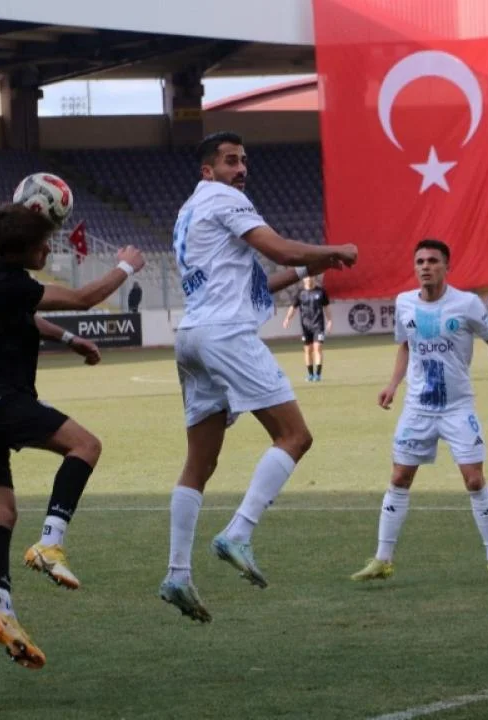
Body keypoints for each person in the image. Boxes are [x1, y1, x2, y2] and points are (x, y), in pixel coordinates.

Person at [160, 131, 357, 623]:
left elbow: (258, 282)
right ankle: (238, 532)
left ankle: (177, 573)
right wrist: (334, 247)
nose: (241, 168)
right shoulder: (225, 198)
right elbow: (280, 250)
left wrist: (317, 263)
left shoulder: (188, 212)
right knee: (295, 436)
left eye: (244, 160)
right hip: (227, 334)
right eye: (231, 160)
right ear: (208, 170)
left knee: (199, 463)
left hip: (192, 336)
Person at [0, 203, 145, 669]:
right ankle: (50, 542)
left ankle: (1, 610)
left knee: (0, 511)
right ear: (19, 253)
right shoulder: (10, 282)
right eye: (41, 245)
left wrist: (67, 340)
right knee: (85, 445)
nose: (48, 249)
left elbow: (22, 315)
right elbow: (83, 299)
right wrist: (126, 267)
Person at [351, 239, 488, 586]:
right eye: (420, 261)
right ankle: (382, 559)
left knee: (474, 480)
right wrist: (393, 384)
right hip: (418, 408)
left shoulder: (466, 303)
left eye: (433, 261)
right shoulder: (404, 303)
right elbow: (405, 346)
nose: (425, 266)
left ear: (447, 266)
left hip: (457, 407)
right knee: (399, 478)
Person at [282, 275, 331, 382]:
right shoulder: (300, 293)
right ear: (304, 279)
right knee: (308, 350)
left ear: (314, 278)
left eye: (311, 277)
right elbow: (293, 307)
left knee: (317, 348)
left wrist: (329, 320)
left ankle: (318, 374)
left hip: (318, 325)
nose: (309, 279)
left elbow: (326, 307)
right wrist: (287, 319)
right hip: (306, 327)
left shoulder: (321, 292)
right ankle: (310, 374)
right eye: (307, 277)